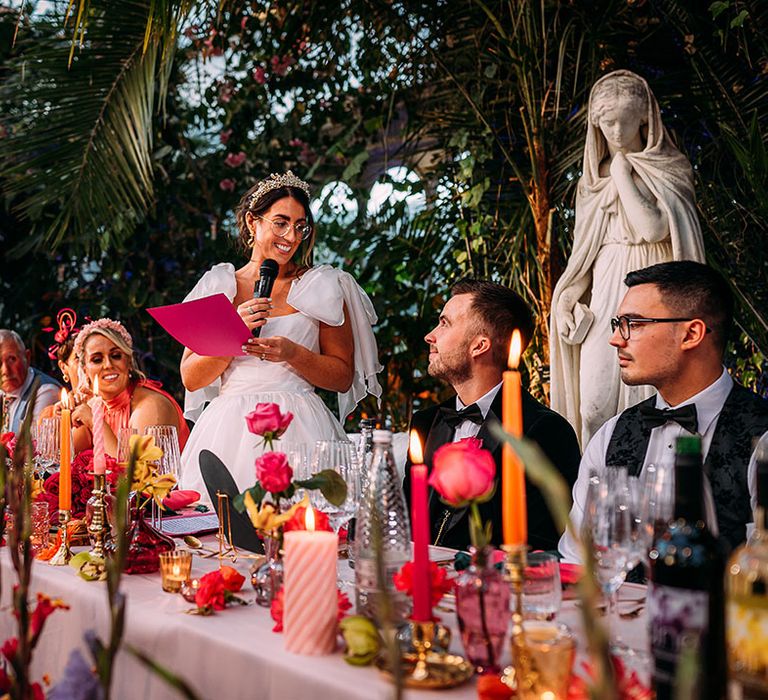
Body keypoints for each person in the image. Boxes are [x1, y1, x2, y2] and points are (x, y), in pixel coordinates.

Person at [178, 171, 382, 497]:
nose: (291, 235)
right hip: (227, 431)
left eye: (301, 226)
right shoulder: (217, 286)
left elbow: (342, 376)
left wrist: (293, 353)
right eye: (281, 222)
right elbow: (191, 376)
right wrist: (234, 330)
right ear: (252, 222)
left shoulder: (323, 285)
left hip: (301, 428)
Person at [559, 261, 768, 561]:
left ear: (691, 334)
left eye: (635, 323)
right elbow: (576, 558)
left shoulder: (762, 438)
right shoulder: (610, 435)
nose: (616, 339)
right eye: (618, 325)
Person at [550, 70, 705, 447]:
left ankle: (647, 490)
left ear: (645, 119)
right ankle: (592, 489)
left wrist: (622, 172)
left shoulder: (669, 168)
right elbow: (585, 252)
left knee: (650, 402)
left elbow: (653, 229)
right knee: (594, 406)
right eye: (607, 123)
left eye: (625, 120)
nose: (617, 132)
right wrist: (570, 295)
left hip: (653, 286)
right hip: (605, 291)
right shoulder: (591, 183)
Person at [404, 279, 581, 552]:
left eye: (444, 323)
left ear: (479, 345)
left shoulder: (545, 431)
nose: (431, 335)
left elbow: (543, 546)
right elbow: (405, 520)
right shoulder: (426, 423)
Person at [70, 318, 190, 456]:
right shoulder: (92, 407)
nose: (108, 365)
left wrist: (95, 422)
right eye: (97, 359)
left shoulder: (151, 405)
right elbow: (63, 462)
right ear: (85, 370)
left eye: (116, 356)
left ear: (129, 362)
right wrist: (65, 421)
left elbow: (135, 473)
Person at [0, 329, 60, 433]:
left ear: (27, 358)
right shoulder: (3, 391)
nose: (5, 370)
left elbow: (32, 445)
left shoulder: (46, 391)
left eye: (12, 359)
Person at [38, 308, 87, 422]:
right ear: (63, 367)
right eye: (78, 358)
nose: (86, 364)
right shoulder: (50, 417)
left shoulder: (111, 409)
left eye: (95, 358)